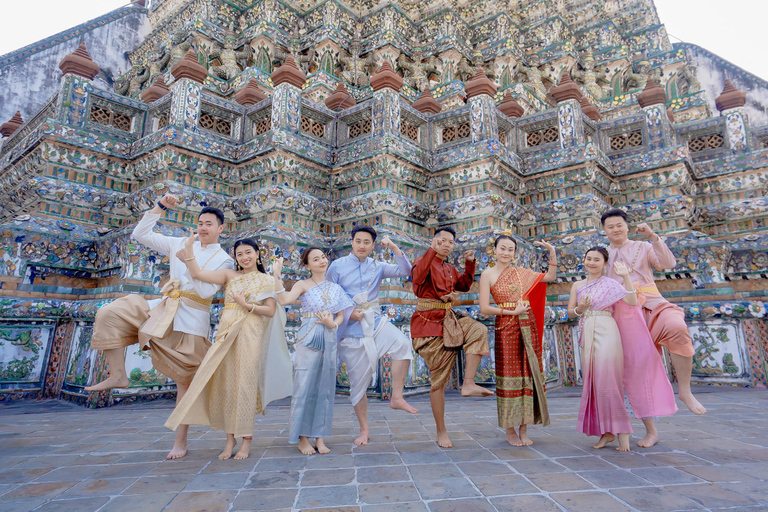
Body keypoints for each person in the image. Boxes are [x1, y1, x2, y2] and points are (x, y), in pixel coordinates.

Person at [85, 194, 234, 459]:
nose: (203, 227)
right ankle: (118, 374)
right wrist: (160, 206)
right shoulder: (179, 241)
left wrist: (188, 258)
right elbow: (140, 234)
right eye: (200, 222)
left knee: (184, 384)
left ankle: (181, 441)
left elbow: (204, 289)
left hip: (191, 320)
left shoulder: (224, 260)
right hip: (163, 308)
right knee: (109, 312)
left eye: (209, 224)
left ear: (221, 228)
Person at [165, 236, 292, 460]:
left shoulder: (266, 280)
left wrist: (246, 305)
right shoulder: (229, 276)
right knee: (227, 386)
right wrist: (188, 251)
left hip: (250, 334)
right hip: (225, 333)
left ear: (257, 254)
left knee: (245, 386)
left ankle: (246, 440)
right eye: (239, 254)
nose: (244, 257)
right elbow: (197, 274)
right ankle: (229, 440)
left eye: (248, 252)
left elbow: (270, 311)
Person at [602, 209, 703, 443]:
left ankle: (685, 391)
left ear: (627, 226)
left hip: (653, 302)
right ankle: (651, 432)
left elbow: (668, 264)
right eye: (610, 226)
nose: (616, 229)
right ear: (605, 230)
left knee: (676, 327)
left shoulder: (644, 246)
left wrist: (653, 237)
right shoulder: (603, 253)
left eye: (619, 225)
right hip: (623, 312)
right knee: (636, 370)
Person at [327, 226, 418, 446]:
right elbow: (329, 297)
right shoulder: (337, 266)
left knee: (403, 345)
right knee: (358, 385)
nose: (362, 246)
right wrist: (349, 313)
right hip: (349, 330)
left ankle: (397, 397)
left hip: (375, 322)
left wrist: (395, 247)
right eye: (358, 241)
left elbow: (404, 270)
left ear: (373, 245)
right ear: (352, 242)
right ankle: (364, 429)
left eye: (367, 242)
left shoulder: (377, 266)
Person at [411, 226, 491, 449]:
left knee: (479, 330)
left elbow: (464, 285)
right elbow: (417, 278)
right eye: (442, 241)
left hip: (448, 319)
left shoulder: (448, 268)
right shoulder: (422, 261)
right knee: (438, 382)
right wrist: (430, 251)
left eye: (450, 242)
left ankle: (468, 384)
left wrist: (469, 263)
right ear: (433, 241)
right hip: (427, 324)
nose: (446, 244)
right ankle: (441, 431)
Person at [479, 233, 557, 447]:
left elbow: (549, 277)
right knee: (510, 376)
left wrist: (552, 252)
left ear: (515, 253)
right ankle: (510, 429)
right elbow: (485, 308)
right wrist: (511, 312)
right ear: (494, 250)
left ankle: (524, 428)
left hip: (527, 326)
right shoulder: (487, 275)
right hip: (506, 327)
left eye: (510, 249)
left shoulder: (521, 273)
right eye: (502, 248)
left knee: (528, 375)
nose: (506, 253)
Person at [274, 247, 354, 455]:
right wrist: (276, 275)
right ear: (307, 265)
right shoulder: (303, 284)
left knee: (325, 388)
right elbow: (284, 300)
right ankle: (302, 438)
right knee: (305, 386)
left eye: (323, 257)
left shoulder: (335, 287)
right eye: (315, 259)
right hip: (308, 335)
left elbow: (341, 315)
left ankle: (319, 437)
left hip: (328, 335)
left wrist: (332, 324)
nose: (321, 261)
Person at [568, 247, 637, 452]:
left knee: (610, 381)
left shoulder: (611, 284)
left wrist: (626, 276)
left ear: (605, 263)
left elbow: (632, 301)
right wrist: (580, 309)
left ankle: (623, 432)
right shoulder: (578, 285)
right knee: (595, 383)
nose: (591, 262)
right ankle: (606, 432)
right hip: (587, 330)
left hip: (607, 330)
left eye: (596, 259)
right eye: (588, 258)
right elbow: (571, 312)